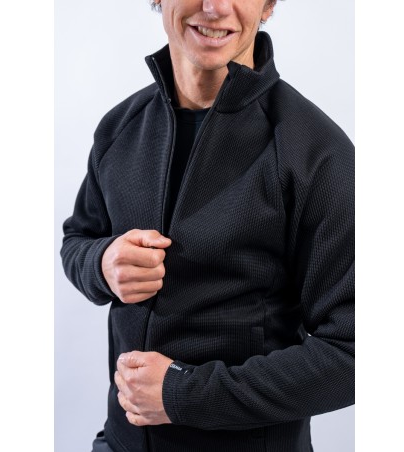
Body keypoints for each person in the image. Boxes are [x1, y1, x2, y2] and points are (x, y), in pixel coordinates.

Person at [61, 0, 355, 451]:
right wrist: (100, 263)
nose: (214, 7)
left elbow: (354, 354)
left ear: (268, 5)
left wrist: (184, 394)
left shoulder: (316, 152)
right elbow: (77, 239)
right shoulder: (119, 128)